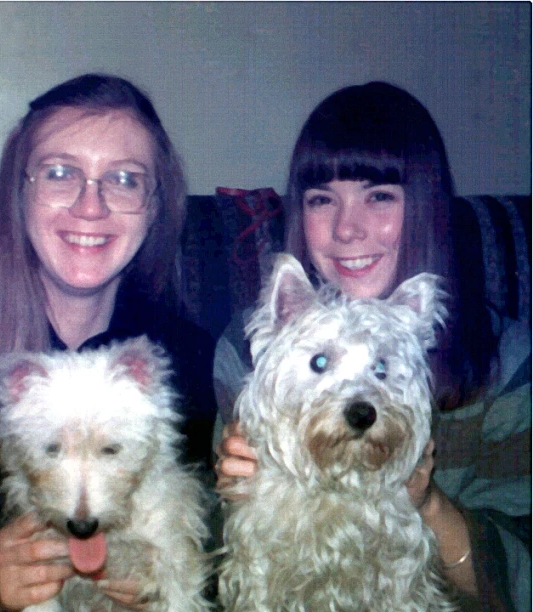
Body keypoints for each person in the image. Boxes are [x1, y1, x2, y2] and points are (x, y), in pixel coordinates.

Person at [0, 74, 217, 611]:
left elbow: (218, 557)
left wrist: (171, 584)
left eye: (124, 178)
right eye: (60, 173)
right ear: (19, 191)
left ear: (154, 206)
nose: (90, 206)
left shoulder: (184, 356)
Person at [213, 82, 531, 611]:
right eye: (321, 200)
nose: (346, 229)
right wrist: (228, 493)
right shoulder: (246, 349)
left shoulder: (511, 359)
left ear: (427, 205)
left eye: (379, 196)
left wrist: (426, 502)